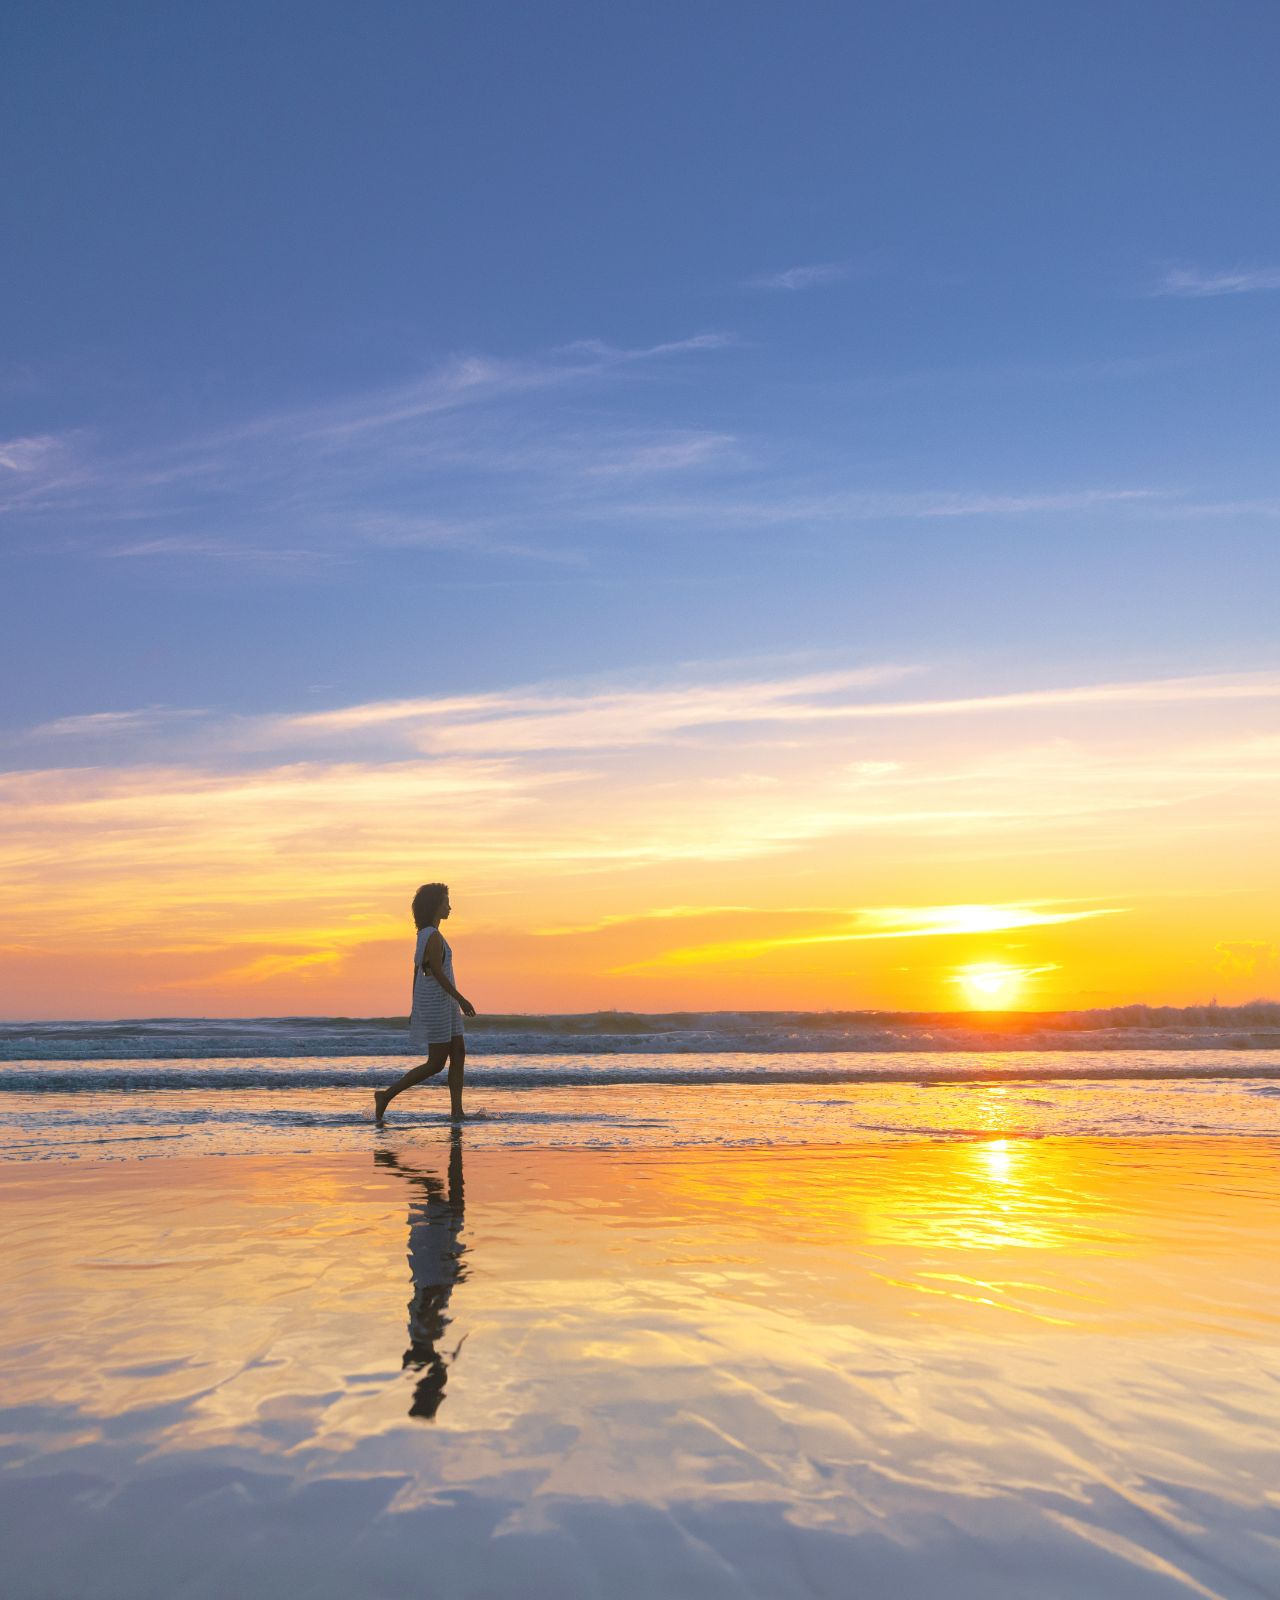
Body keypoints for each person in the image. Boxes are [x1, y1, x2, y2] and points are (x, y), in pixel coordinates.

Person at [374, 882, 476, 1123]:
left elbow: (415, 971)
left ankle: (457, 1111)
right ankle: (386, 1095)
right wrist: (461, 998)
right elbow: (437, 973)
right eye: (445, 902)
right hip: (439, 1003)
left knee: (458, 1052)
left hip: (441, 1003)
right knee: (436, 1063)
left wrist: (413, 1005)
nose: (449, 907)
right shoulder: (432, 936)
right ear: (435, 906)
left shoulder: (426, 935)